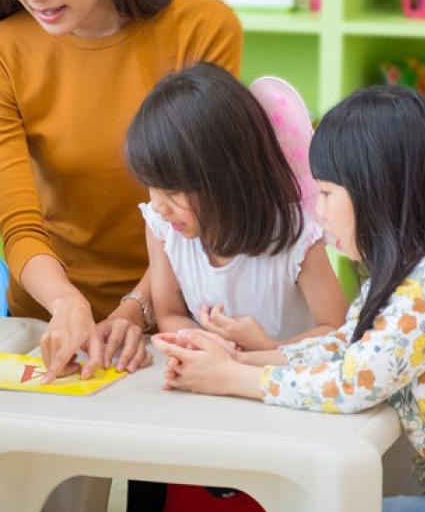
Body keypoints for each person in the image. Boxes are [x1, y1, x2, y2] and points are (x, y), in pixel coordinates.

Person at [153, 86, 425, 512]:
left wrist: (235, 378)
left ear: (380, 190)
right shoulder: (410, 268)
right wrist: (249, 356)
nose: (316, 210)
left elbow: (356, 381)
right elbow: (349, 344)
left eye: (326, 193)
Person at [0, 0, 243, 386]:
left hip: (182, 312)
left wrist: (137, 307)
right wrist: (67, 304)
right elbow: (19, 227)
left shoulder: (202, 29)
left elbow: (205, 204)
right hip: (48, 317)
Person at [124, 63, 347, 351]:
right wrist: (211, 344)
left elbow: (337, 331)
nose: (158, 205)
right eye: (152, 186)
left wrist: (264, 348)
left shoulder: (296, 237)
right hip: (218, 383)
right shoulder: (163, 229)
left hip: (281, 384)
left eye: (172, 190)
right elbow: (170, 314)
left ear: (226, 177)